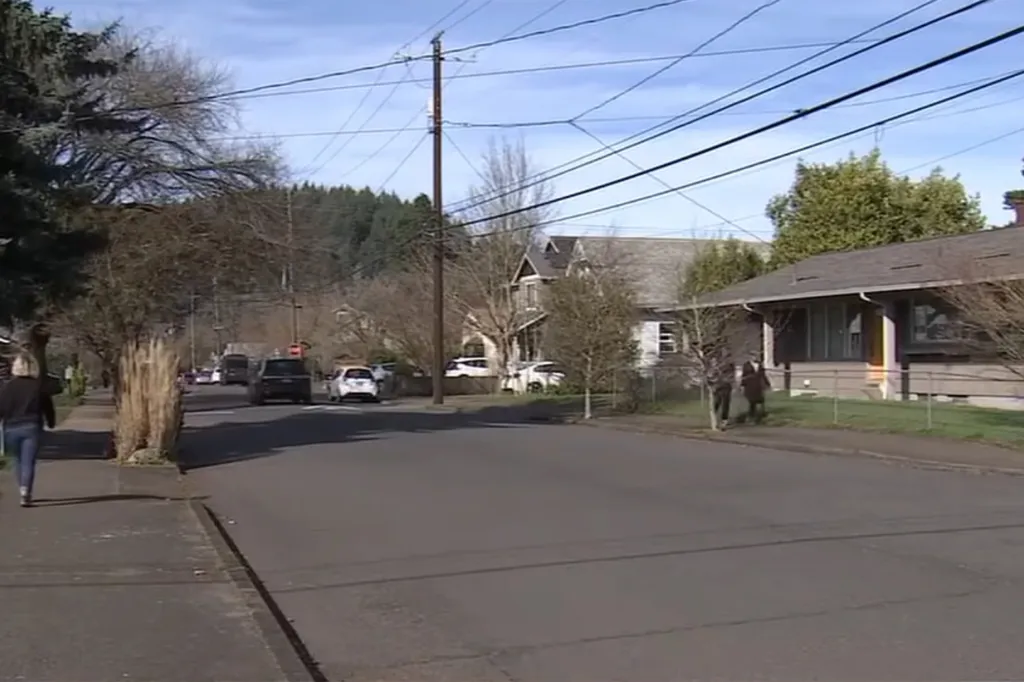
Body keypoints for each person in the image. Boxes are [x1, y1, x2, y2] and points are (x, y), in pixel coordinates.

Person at [0, 354, 56, 507]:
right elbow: (48, 407)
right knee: (28, 461)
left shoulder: (8, 387)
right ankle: (26, 491)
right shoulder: (38, 387)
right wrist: (51, 422)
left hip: (11, 428)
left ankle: (22, 488)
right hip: (31, 426)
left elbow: (2, 408)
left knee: (17, 460)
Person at [741, 358, 771, 424]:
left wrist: (767, 384)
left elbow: (763, 375)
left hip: (757, 385)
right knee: (751, 401)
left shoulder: (759, 365)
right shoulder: (746, 365)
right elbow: (744, 375)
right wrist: (742, 385)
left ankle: (758, 417)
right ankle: (750, 416)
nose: (754, 357)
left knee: (759, 401)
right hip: (749, 385)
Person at [711, 357, 735, 429]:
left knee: (725, 405)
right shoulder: (714, 368)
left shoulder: (729, 367)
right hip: (717, 388)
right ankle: (715, 420)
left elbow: (730, 377)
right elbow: (711, 377)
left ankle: (724, 420)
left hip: (725, 388)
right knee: (716, 404)